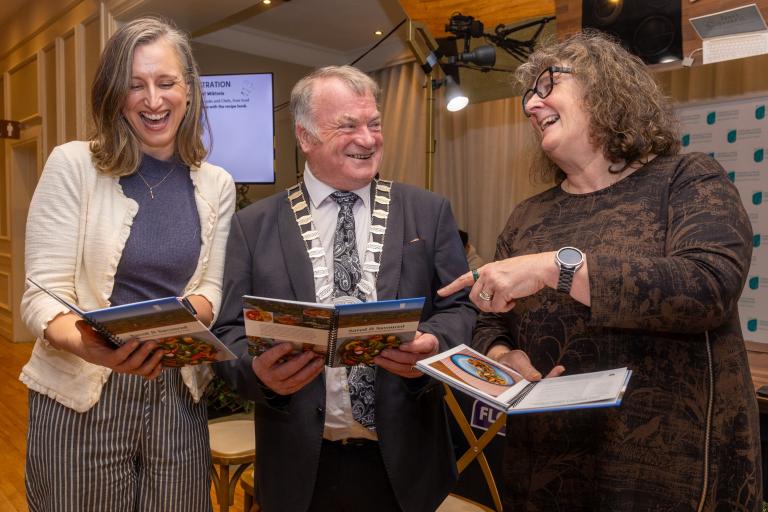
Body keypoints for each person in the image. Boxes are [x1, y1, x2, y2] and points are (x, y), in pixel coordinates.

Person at [439, 31, 761, 511]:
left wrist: (554, 267)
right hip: (547, 471)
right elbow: (491, 320)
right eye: (528, 96)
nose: (531, 105)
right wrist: (503, 356)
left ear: (606, 88)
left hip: (671, 470)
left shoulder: (686, 179)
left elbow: (707, 287)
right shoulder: (528, 216)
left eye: (546, 85)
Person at [213, 65, 476, 512]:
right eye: (348, 126)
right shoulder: (252, 226)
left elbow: (461, 309)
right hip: (299, 467)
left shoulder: (427, 212)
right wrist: (258, 374)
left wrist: (433, 344)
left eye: (374, 124)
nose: (368, 139)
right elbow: (226, 333)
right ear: (305, 137)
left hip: (407, 466)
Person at [20, 17, 235, 511]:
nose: (153, 100)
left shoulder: (217, 183)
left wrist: (176, 323)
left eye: (166, 82)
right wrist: (95, 349)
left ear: (188, 89)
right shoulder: (73, 165)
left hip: (176, 393)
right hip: (82, 392)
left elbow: (212, 288)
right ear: (114, 95)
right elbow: (41, 295)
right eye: (135, 85)